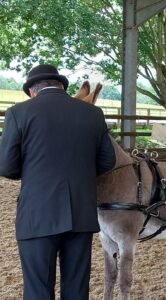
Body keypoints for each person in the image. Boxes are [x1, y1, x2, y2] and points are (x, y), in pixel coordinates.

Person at [0, 64, 116, 299]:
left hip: (37, 214)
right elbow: (108, 161)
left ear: (32, 91)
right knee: (76, 289)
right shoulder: (92, 113)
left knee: (38, 289)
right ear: (62, 86)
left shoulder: (18, 113)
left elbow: (6, 167)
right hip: (81, 214)